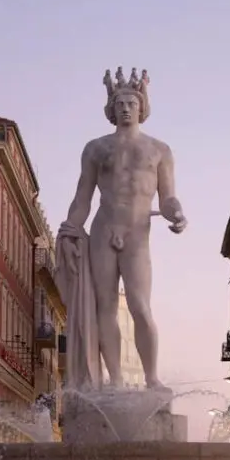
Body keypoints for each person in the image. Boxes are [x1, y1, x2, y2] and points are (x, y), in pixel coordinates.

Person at [57, 67, 186, 391]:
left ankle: (151, 377)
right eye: (120, 104)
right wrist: (71, 229)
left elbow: (167, 197)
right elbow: (82, 198)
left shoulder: (159, 150)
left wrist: (177, 214)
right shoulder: (96, 148)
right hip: (104, 230)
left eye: (131, 103)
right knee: (106, 305)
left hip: (137, 233)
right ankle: (114, 380)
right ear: (111, 110)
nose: (126, 108)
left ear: (142, 108)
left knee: (140, 306)